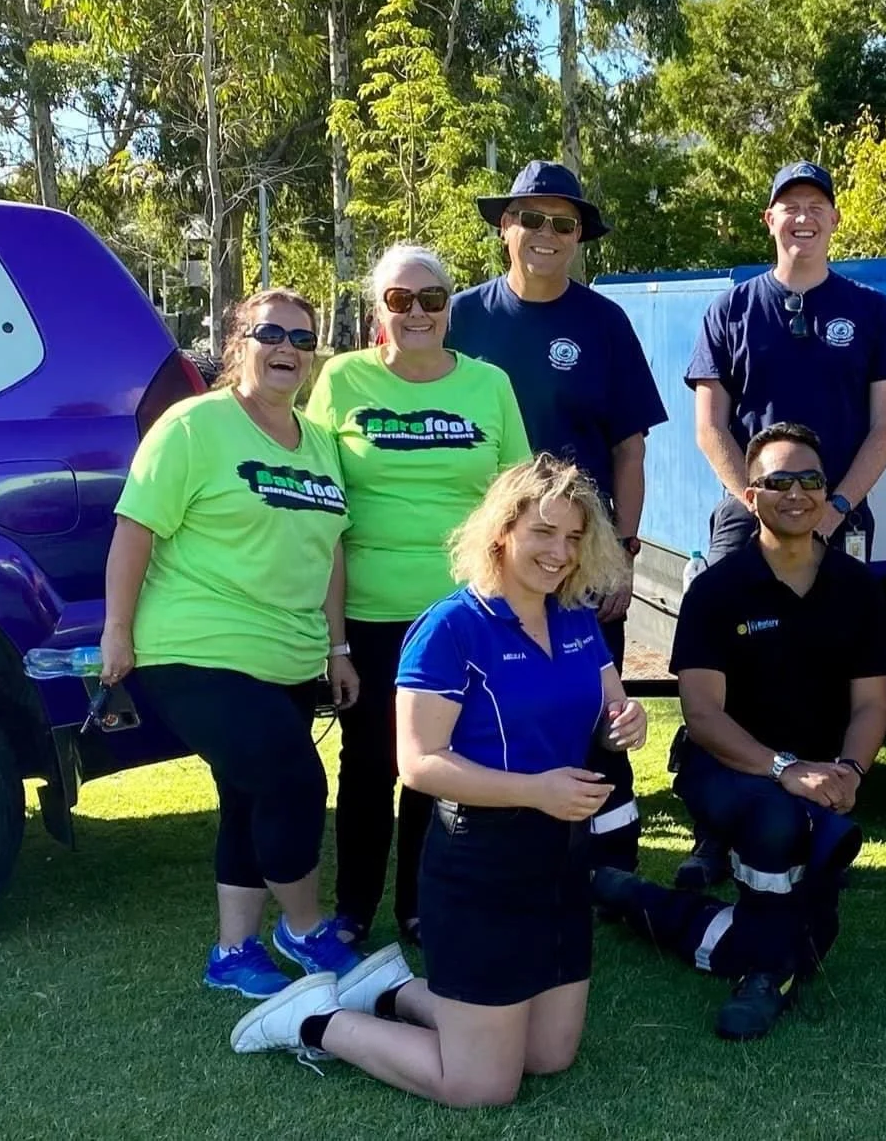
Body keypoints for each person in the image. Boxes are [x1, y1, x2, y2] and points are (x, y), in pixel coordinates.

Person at [229, 457, 649, 1105]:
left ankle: (392, 991)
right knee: (484, 1085)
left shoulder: (574, 618)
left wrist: (627, 721)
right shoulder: (451, 627)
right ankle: (316, 1021)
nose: (560, 553)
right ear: (502, 530)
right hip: (481, 862)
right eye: (545, 533)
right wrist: (536, 790)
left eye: (573, 538)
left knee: (549, 1056)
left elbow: (610, 706)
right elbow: (419, 762)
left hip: (563, 858)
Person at [102, 289, 363, 995]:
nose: (287, 349)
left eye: (302, 339)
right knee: (294, 781)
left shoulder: (318, 443)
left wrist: (336, 649)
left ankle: (233, 952)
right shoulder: (195, 426)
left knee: (250, 798)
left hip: (290, 653)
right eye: (270, 333)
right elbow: (136, 526)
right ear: (235, 342)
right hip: (197, 648)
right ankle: (305, 931)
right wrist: (116, 631)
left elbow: (330, 549)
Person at [597, 422, 886, 1041]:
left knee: (807, 944)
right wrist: (788, 770)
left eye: (810, 479)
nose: (797, 493)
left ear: (828, 492)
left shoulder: (858, 588)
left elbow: (871, 704)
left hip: (817, 774)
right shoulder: (717, 589)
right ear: (749, 497)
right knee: (777, 819)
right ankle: (762, 974)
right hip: (723, 767)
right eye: (777, 481)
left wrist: (852, 772)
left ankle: (632, 898)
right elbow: (702, 716)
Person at [680, 160, 886, 887]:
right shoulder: (732, 310)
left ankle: (829, 796)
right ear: (770, 221)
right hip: (746, 512)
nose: (803, 218)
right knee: (731, 670)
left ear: (834, 221)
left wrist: (835, 508)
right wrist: (755, 499)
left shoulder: (871, 310)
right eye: (789, 206)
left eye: (817, 205)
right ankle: (711, 832)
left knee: (830, 665)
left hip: (840, 510)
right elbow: (709, 426)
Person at [303, 244, 531, 948]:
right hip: (370, 613)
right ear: (379, 311)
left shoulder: (489, 385)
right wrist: (334, 639)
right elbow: (315, 507)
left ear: (450, 309)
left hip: (464, 616)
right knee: (368, 764)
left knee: (438, 769)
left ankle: (421, 905)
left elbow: (520, 502)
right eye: (400, 300)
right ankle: (353, 907)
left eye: (431, 299)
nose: (417, 312)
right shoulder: (341, 381)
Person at [451, 160, 667, 873]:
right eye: (533, 219)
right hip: (488, 558)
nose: (547, 234)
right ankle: (488, 850)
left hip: (579, 553)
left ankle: (612, 863)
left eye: (564, 224)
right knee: (481, 706)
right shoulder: (459, 316)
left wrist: (625, 556)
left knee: (599, 711)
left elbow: (630, 453)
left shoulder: (603, 323)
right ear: (505, 228)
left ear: (580, 238)